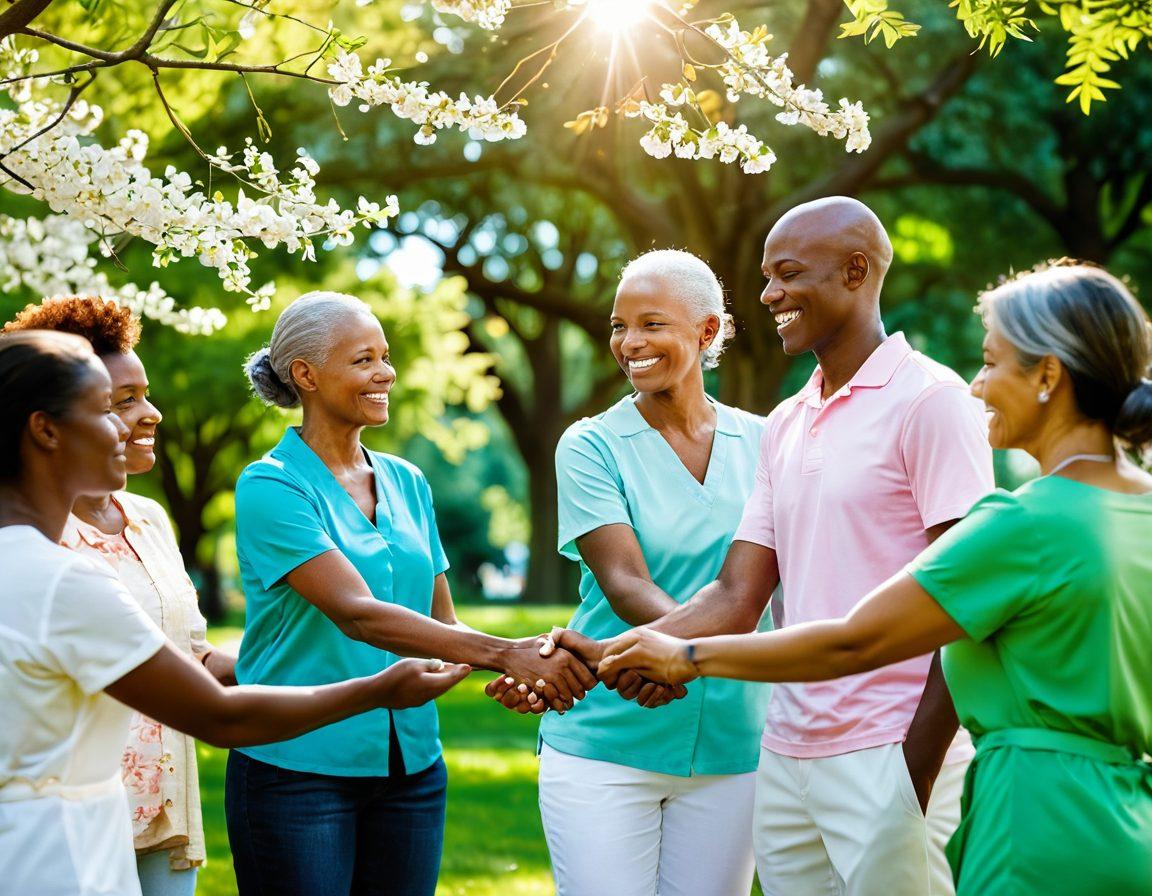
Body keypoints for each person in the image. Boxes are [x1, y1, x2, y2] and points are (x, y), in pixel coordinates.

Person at [592, 260, 1152, 896]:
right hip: (1129, 821)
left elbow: (855, 641)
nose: (977, 385)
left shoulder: (1020, 524)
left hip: (1038, 825)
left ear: (1048, 375)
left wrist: (687, 655)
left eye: (992, 363)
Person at [544, 197, 994, 896]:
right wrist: (598, 658)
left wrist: (917, 768)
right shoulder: (787, 422)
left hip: (888, 747)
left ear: (854, 271)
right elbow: (735, 595)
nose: (768, 294)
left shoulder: (932, 400)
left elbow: (969, 596)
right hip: (784, 754)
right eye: (765, 276)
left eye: (786, 273)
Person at [0, 329, 470, 896]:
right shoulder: (65, 583)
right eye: (107, 409)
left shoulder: (46, 564)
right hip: (51, 859)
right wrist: (377, 689)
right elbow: (220, 717)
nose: (130, 423)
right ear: (44, 430)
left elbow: (191, 660)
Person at [227, 291, 597, 896]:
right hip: (297, 769)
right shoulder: (271, 485)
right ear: (306, 375)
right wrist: (505, 651)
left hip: (414, 768)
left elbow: (441, 622)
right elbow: (358, 614)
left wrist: (505, 673)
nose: (386, 373)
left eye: (386, 356)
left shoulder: (407, 480)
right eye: (364, 359)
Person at [495, 251, 773, 896]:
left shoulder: (768, 441)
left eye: (653, 324)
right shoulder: (591, 443)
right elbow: (624, 584)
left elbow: (760, 586)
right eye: (619, 326)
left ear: (707, 332)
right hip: (607, 733)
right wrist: (665, 657)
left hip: (734, 744)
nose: (630, 343)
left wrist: (677, 657)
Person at [3, 296, 235, 896]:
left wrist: (314, 663)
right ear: (52, 420)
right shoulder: (37, 544)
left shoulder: (148, 519)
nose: (148, 414)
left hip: (163, 809)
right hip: (63, 821)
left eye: (142, 395)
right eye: (118, 402)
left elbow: (192, 658)